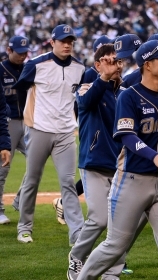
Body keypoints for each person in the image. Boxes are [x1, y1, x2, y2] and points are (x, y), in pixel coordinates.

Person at [77, 40, 158, 280]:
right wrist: (155, 155)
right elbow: (127, 136)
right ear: (147, 65)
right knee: (115, 246)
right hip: (132, 180)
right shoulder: (129, 96)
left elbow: (152, 133)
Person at [13, 24, 85, 245]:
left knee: (68, 183)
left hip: (65, 133)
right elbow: (20, 88)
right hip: (38, 130)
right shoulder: (36, 65)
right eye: (63, 41)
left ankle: (77, 233)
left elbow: (78, 99)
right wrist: (29, 116)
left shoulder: (79, 68)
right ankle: (24, 228)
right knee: (32, 180)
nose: (67, 45)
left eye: (70, 41)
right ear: (52, 42)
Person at [67, 43, 128, 280]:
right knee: (99, 218)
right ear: (98, 64)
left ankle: (111, 273)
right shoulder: (85, 87)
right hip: (93, 163)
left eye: (118, 60)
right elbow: (85, 103)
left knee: (122, 222)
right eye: (109, 60)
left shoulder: (125, 93)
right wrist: (104, 77)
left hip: (121, 165)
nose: (115, 64)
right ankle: (77, 257)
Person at [0, 36, 28, 224]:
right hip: (8, 122)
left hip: (28, 122)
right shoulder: (0, 70)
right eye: (19, 53)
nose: (23, 56)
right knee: (3, 168)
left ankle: (20, 198)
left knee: (38, 161)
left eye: (25, 53)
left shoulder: (29, 68)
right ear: (9, 51)